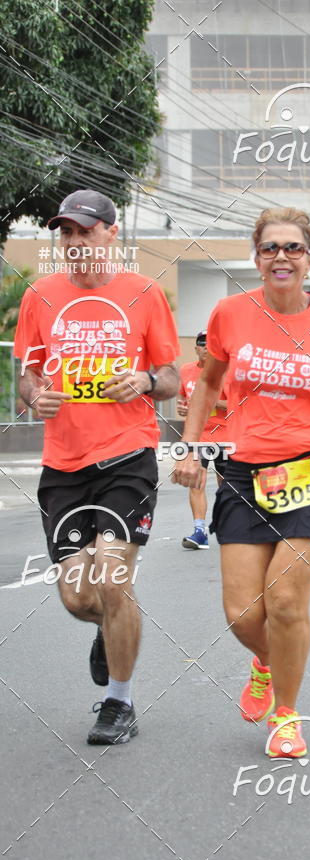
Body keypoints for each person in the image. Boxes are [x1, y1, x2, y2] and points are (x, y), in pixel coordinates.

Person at [172, 207, 310, 758]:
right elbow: (208, 385)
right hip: (243, 473)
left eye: (293, 248)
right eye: (270, 248)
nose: (281, 256)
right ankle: (267, 661)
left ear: (309, 258)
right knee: (243, 614)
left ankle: (286, 715)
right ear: (257, 257)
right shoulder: (231, 313)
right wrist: (191, 446)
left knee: (284, 600)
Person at [13, 189, 180, 744]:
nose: (76, 241)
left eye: (86, 230)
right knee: (80, 598)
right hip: (63, 464)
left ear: (111, 233)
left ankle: (119, 702)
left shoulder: (144, 293)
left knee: (111, 576)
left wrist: (145, 381)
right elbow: (28, 377)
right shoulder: (40, 295)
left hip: (128, 455)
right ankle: (112, 626)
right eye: (67, 232)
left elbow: (171, 378)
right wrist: (35, 396)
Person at [178, 331, 230, 548]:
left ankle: (229, 526)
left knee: (226, 485)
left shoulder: (227, 372)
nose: (206, 348)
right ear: (196, 349)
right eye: (202, 344)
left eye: (210, 345)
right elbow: (183, 400)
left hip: (226, 436)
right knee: (196, 482)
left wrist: (211, 401)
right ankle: (199, 532)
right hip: (198, 437)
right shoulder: (185, 370)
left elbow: (239, 405)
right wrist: (183, 409)